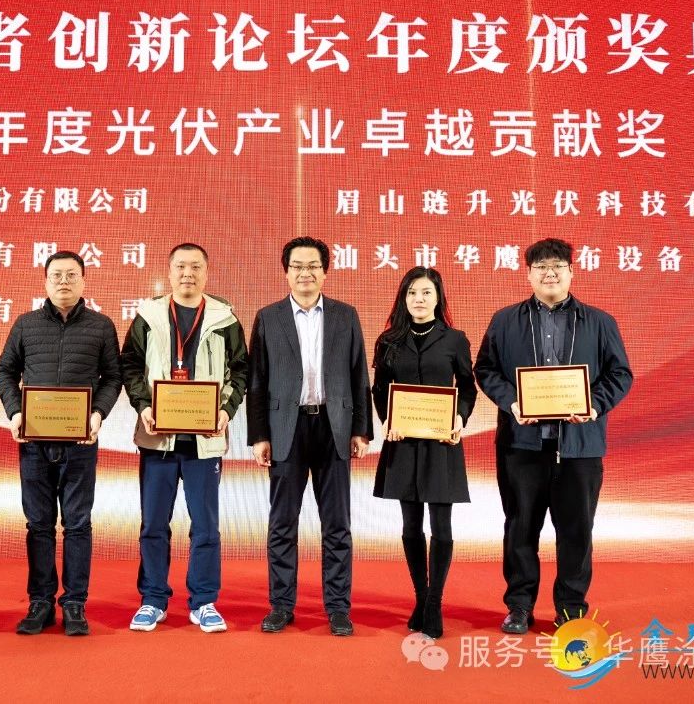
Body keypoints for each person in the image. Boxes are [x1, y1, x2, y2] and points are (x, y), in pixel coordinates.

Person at [475, 238, 633, 635]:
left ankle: (571, 609)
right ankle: (519, 607)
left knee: (576, 532)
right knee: (520, 528)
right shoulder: (505, 321)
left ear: (571, 272)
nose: (550, 273)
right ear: (528, 274)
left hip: (579, 447)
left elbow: (620, 374)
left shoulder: (599, 322)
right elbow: (486, 369)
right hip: (521, 446)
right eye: (542, 267)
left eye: (558, 266)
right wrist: (512, 402)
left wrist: (595, 405)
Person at [247, 236, 373, 637]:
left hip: (334, 428)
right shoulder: (268, 317)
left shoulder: (345, 315)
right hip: (287, 429)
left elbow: (359, 375)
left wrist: (361, 429)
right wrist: (259, 435)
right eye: (297, 266)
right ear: (286, 272)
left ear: (325, 271)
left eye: (313, 266)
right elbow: (256, 381)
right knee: (282, 523)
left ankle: (338, 608)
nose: (305, 273)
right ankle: (281, 605)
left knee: (337, 525)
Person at [120, 243, 248, 633]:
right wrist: (144, 406)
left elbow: (240, 371)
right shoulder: (148, 315)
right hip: (157, 438)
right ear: (169, 272)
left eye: (195, 267)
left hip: (203, 441)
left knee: (206, 526)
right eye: (180, 267)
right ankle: (153, 599)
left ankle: (204, 601)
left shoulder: (225, 318)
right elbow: (130, 366)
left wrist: (225, 412)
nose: (187, 273)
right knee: (153, 525)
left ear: (207, 273)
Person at [0, 251, 123, 636]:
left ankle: (75, 604)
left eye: (71, 275)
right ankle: (40, 602)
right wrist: (15, 412)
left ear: (83, 281)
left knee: (78, 524)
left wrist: (98, 413)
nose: (63, 281)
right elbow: (5, 370)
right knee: (39, 524)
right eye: (56, 275)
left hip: (80, 442)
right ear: (45, 281)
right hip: (34, 442)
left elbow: (113, 377)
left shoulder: (101, 326)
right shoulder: (26, 324)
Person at [371, 267, 476, 639]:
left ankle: (434, 602)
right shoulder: (388, 340)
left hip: (441, 443)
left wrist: (460, 418)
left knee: (442, 527)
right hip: (403, 443)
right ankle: (420, 596)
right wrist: (387, 420)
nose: (419, 299)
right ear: (404, 298)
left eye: (426, 292)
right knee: (410, 525)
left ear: (438, 298)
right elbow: (379, 388)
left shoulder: (455, 340)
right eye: (412, 292)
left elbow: (467, 387)